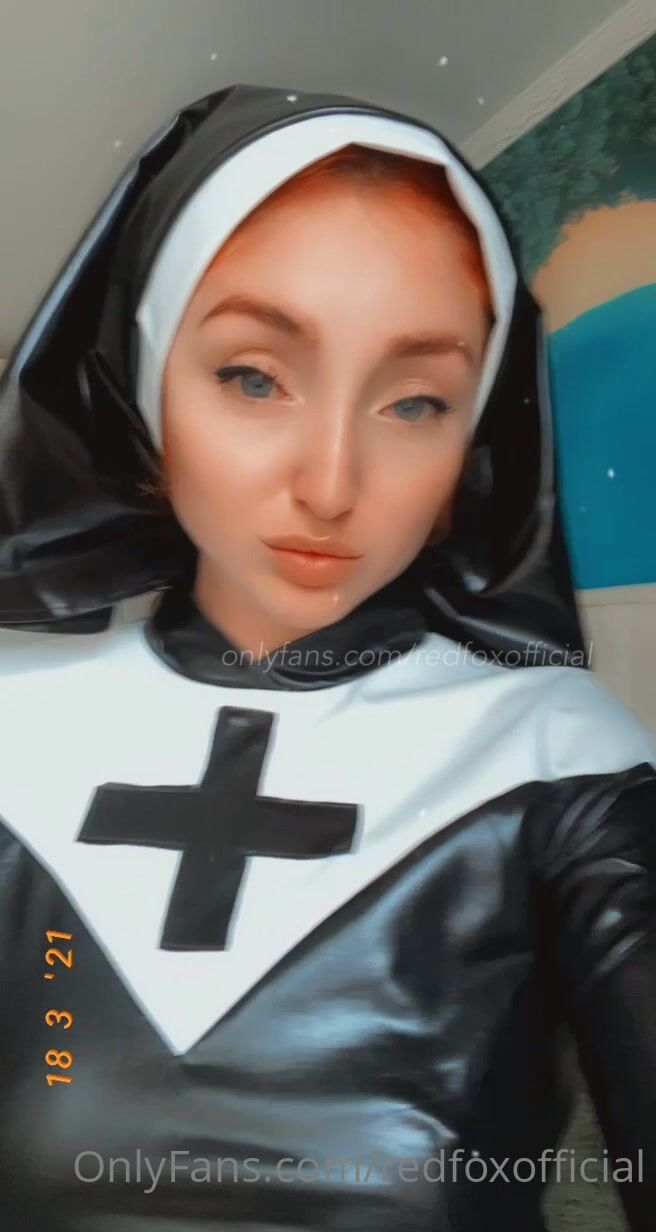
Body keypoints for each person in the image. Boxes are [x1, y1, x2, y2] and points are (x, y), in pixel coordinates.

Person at [0, 82, 654, 1232]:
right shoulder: (16, 728)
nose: (331, 483)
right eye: (253, 376)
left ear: (472, 445)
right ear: (145, 395)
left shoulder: (556, 752)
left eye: (414, 401)